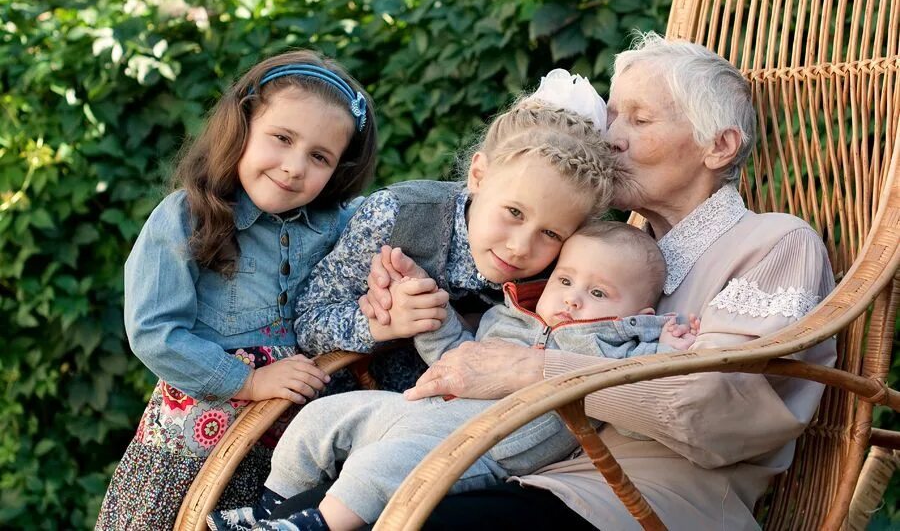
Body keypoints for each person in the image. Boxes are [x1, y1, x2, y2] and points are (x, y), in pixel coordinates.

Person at [271, 32, 837, 530]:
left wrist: (532, 371)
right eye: (613, 117)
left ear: (720, 145)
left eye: (639, 121)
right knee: (322, 504)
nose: (612, 138)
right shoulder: (605, 247)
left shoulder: (775, 242)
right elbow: (507, 330)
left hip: (637, 504)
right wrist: (404, 309)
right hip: (516, 466)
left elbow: (720, 409)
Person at [206, 69, 620, 530]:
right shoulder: (398, 217)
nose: (522, 246)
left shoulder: (565, 270)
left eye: (550, 232)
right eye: (514, 213)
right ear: (479, 175)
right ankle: (272, 512)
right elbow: (307, 321)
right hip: (367, 402)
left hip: (471, 435)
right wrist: (382, 325)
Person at [226, 221, 700, 531]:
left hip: (476, 450)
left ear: (638, 313)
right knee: (320, 418)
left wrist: (663, 346)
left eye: (598, 292)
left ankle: (317, 526)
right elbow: (455, 356)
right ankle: (272, 508)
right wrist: (428, 304)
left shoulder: (616, 351)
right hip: (414, 408)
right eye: (566, 281)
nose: (573, 299)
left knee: (379, 469)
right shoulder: (514, 317)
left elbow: (639, 411)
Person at [95, 50, 378, 530]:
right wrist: (247, 382)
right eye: (282, 139)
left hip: (293, 447)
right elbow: (154, 331)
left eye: (319, 156)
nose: (293, 167)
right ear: (243, 127)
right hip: (197, 447)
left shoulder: (340, 228)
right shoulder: (188, 216)